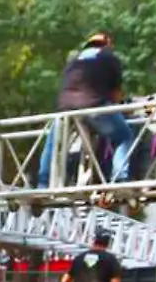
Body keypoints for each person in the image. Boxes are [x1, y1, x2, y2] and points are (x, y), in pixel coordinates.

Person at [38, 32, 138, 189]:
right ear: (107, 45)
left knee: (53, 144)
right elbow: (115, 94)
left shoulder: (73, 61)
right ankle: (120, 178)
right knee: (123, 137)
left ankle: (42, 184)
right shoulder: (108, 58)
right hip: (93, 105)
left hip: (66, 108)